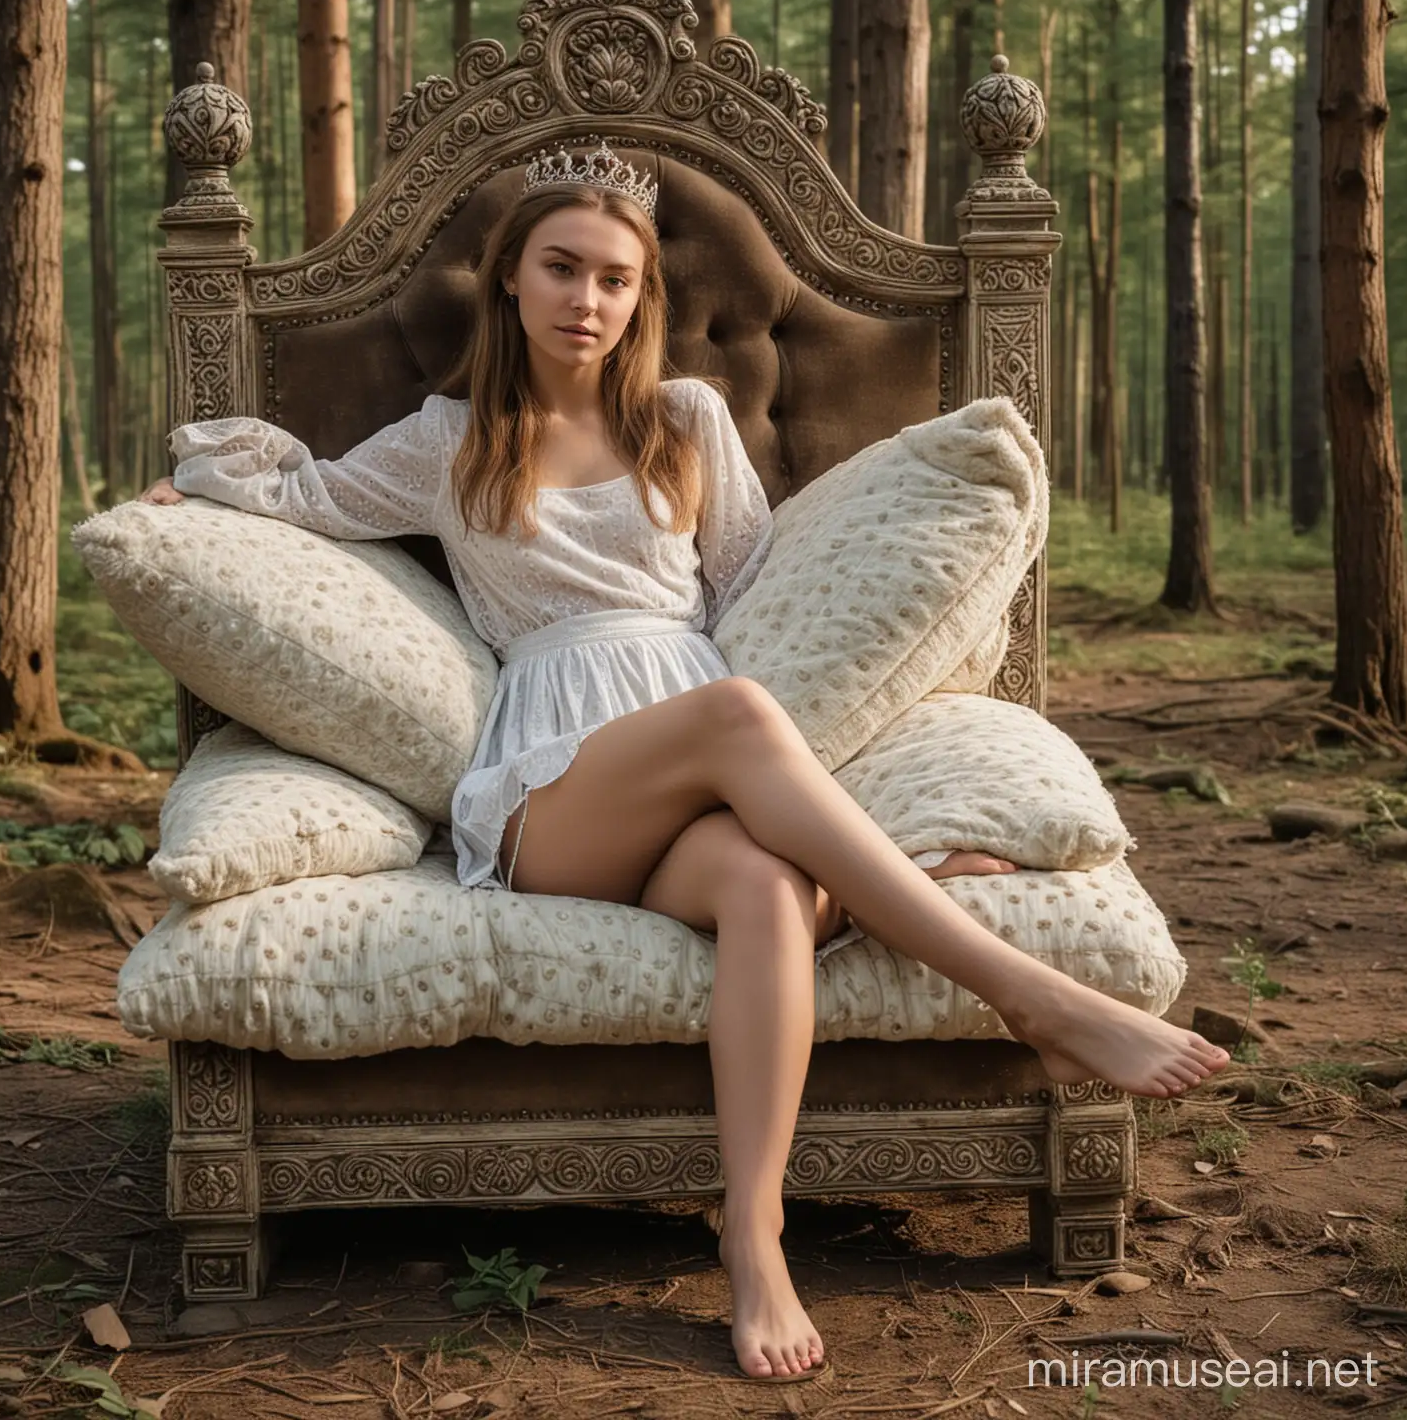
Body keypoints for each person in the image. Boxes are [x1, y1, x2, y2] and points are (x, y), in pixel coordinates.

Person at [141, 140, 1229, 1385]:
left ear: (641, 297)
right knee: (741, 718)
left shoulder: (688, 418)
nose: (586, 301)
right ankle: (1030, 994)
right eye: (561, 269)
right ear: (509, 280)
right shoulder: (449, 440)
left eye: (614, 280)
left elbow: (752, 588)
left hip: (709, 759)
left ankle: (753, 1233)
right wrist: (193, 492)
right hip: (562, 794)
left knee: (764, 879)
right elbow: (310, 501)